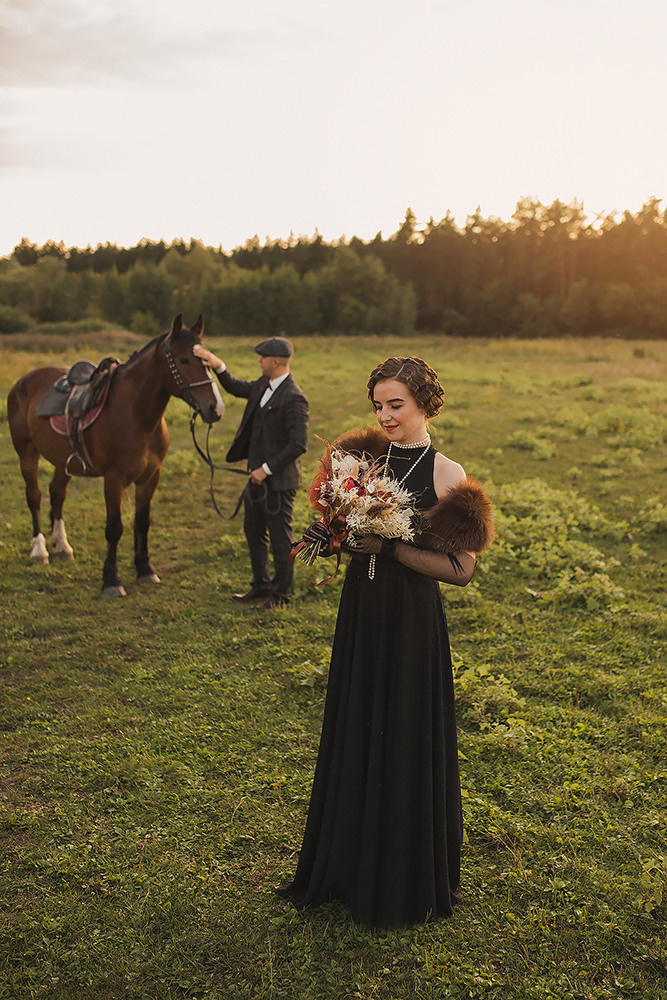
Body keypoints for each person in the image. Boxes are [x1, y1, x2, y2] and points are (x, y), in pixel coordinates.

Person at [277, 356, 494, 927]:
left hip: (411, 620)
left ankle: (399, 874)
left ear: (425, 402)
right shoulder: (358, 461)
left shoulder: (447, 473)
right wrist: (333, 534)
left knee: (402, 728)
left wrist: (390, 549)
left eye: (395, 403)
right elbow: (350, 531)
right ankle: (344, 865)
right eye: (378, 405)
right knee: (358, 720)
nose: (385, 414)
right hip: (362, 613)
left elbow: (461, 568)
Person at [194, 337, 309, 609]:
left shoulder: (294, 398)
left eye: (262, 357)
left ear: (275, 361)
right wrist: (218, 365)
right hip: (256, 479)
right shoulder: (262, 386)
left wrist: (265, 469)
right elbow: (235, 387)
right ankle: (261, 587)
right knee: (253, 532)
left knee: (282, 542)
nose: (259, 361)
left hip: (278, 483)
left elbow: (299, 444)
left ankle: (280, 597)